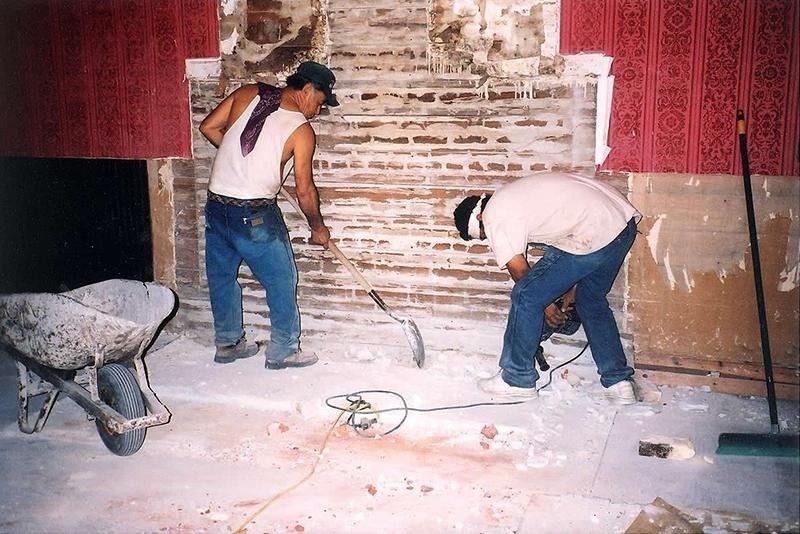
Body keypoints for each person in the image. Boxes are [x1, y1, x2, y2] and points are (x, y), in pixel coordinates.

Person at [453, 172, 641, 403]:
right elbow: (575, 250)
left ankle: (517, 380)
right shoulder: (516, 198)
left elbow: (520, 272)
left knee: (525, 295)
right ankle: (619, 384)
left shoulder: (494, 213)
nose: (488, 238)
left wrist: (546, 305)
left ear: (480, 217)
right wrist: (570, 292)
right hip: (621, 226)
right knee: (590, 300)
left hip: (593, 230)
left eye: (483, 235)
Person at [199, 61, 338, 369]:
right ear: (306, 89)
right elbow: (305, 190)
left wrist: (243, 162)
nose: (318, 111)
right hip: (254, 214)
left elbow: (208, 127)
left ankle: (228, 343)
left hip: (217, 206)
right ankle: (283, 350)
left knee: (222, 278)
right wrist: (318, 228)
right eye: (320, 102)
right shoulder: (301, 131)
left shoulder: (247, 92)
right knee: (281, 279)